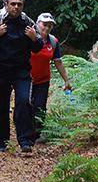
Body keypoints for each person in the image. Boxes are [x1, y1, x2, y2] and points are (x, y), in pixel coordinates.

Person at [0, 0, 43, 154]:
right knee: (1, 106)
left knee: (24, 102)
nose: (16, 7)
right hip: (1, 71)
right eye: (13, 4)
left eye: (19, 4)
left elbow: (38, 47)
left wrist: (33, 39)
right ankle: (1, 142)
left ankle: (25, 141)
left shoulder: (28, 22)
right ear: (6, 5)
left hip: (21, 71)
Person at [31, 12, 72, 144]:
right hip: (26, 79)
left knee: (40, 106)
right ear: (37, 24)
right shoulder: (29, 37)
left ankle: (36, 134)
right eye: (44, 24)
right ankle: (24, 132)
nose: (47, 28)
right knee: (25, 105)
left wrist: (66, 80)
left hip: (43, 79)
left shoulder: (53, 42)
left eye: (50, 25)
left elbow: (58, 61)